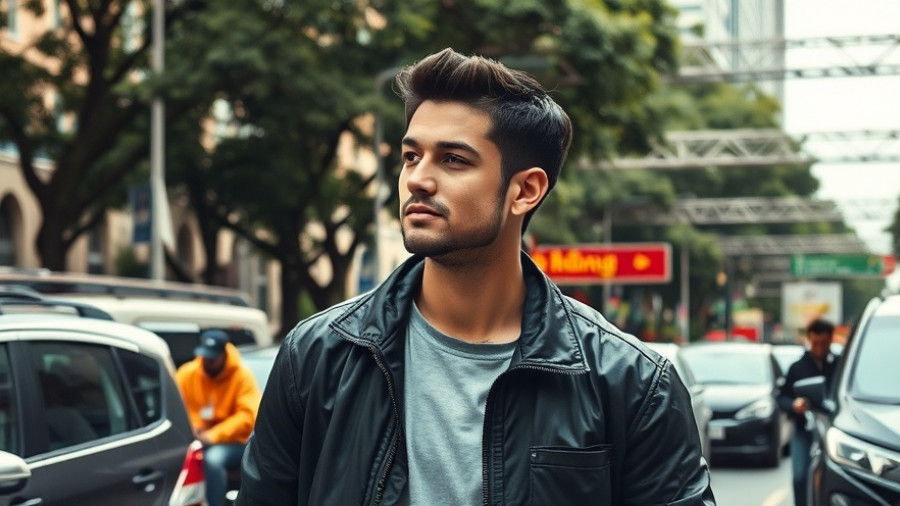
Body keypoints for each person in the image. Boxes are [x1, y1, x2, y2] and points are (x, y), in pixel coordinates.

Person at [237, 48, 715, 505]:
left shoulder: (630, 381)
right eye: (410, 156)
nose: (418, 179)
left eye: (453, 160)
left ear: (525, 190)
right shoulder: (318, 356)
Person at [176, 329, 261, 506]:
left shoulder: (242, 376)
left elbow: (248, 416)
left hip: (233, 441)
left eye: (213, 358)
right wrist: (194, 428)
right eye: (205, 356)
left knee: (214, 459)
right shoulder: (186, 373)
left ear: (224, 355)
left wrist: (213, 435)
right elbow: (177, 406)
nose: (208, 361)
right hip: (196, 438)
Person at [777, 318, 838, 506]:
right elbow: (781, 398)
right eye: (815, 342)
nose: (819, 347)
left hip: (833, 430)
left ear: (830, 340)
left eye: (824, 342)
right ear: (809, 340)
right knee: (800, 477)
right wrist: (794, 404)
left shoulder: (839, 365)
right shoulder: (797, 367)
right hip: (804, 428)